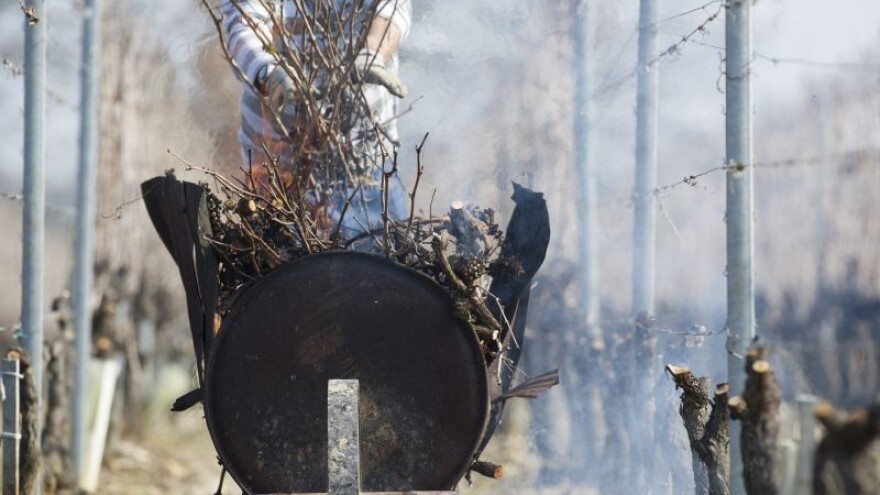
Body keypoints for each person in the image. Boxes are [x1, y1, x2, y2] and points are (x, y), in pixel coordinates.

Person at [219, 0, 412, 241]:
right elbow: (243, 22)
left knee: (389, 262)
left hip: (367, 160)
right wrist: (268, 72)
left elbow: (391, 9)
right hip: (281, 167)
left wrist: (371, 52)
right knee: (286, 263)